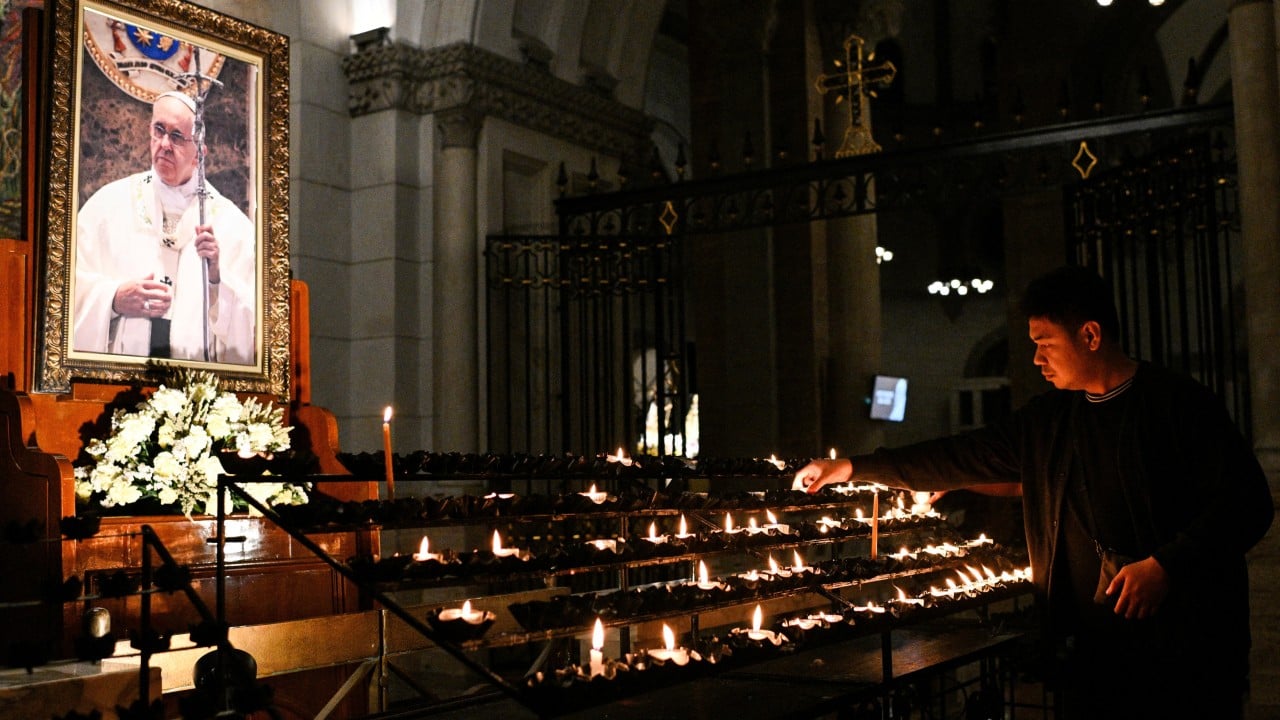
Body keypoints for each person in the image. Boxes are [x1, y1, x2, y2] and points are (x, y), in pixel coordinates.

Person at [794, 266, 1273, 719]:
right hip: (1094, 658)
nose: (1036, 358)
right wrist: (852, 468)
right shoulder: (1053, 420)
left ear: (1090, 335)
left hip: (1185, 653)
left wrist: (1166, 565)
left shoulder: (1178, 405)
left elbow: (1248, 503)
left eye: (1046, 343)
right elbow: (963, 453)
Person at [73, 90, 256, 364]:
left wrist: (217, 279)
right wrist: (113, 298)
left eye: (177, 136)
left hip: (196, 390)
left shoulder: (231, 226)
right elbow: (64, 293)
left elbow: (255, 325)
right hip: (118, 383)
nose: (165, 144)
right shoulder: (107, 206)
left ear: (200, 154)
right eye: (159, 130)